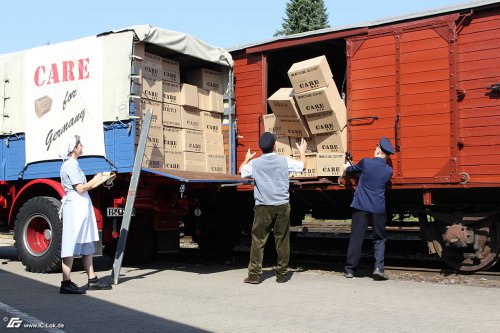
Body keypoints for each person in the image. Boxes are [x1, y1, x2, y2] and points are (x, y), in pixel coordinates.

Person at [239, 132, 307, 284]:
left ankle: (254, 275)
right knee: (282, 240)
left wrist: (246, 159)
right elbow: (303, 166)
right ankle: (282, 275)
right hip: (282, 205)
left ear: (261, 148)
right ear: (275, 146)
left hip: (263, 206)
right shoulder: (284, 161)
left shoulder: (254, 164)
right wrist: (302, 152)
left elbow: (241, 171)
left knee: (258, 240)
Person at [59, 135, 112, 294]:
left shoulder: (73, 164)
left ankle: (92, 279)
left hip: (80, 207)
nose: (82, 145)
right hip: (75, 207)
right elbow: (81, 188)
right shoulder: (70, 165)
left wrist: (101, 180)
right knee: (70, 244)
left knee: (86, 243)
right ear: (74, 148)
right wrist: (96, 179)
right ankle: (66, 283)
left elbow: (82, 188)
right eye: (79, 144)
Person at [344, 137, 394, 281]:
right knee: (379, 238)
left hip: (361, 206)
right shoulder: (388, 171)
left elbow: (351, 170)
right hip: (378, 209)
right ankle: (378, 268)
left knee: (356, 237)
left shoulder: (366, 162)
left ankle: (350, 270)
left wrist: (347, 166)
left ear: (378, 149)